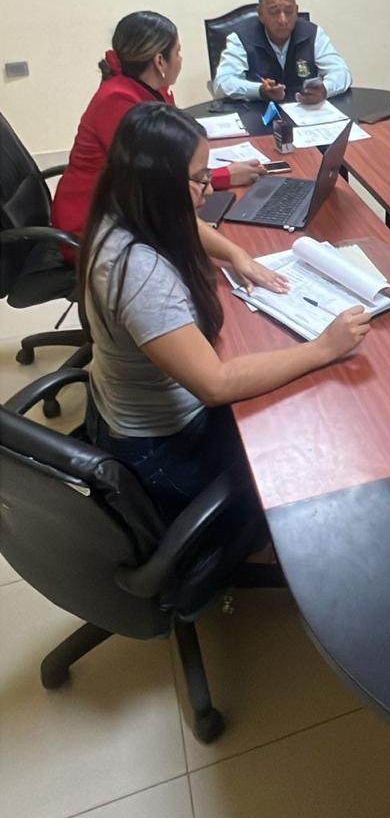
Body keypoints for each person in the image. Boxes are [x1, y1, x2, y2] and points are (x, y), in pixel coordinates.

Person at [79, 101, 370, 522]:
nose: (210, 188)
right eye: (200, 178)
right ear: (161, 183)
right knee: (310, 440)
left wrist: (236, 254)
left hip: (127, 412)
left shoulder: (122, 206)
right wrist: (324, 348)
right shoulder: (141, 275)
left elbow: (186, 221)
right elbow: (215, 385)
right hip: (161, 454)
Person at [52, 11, 265, 245]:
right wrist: (222, 176)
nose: (181, 59)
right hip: (92, 227)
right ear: (159, 61)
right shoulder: (118, 101)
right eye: (178, 52)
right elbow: (157, 183)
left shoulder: (151, 87)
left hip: (126, 207)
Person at [212, 0, 352, 105]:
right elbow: (222, 83)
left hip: (305, 112)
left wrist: (325, 89)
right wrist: (259, 90)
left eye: (289, 11)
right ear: (260, 14)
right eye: (274, 12)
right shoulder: (241, 39)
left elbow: (341, 72)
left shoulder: (313, 34)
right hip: (259, 115)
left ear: (296, 11)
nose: (283, 20)